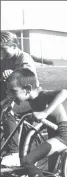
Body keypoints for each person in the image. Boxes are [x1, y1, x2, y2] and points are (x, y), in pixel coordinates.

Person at [5, 68, 67, 177]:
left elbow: (65, 92)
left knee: (28, 161)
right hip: (54, 137)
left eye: (13, 91)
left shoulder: (42, 94)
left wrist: (45, 112)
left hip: (63, 136)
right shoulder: (30, 97)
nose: (10, 95)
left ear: (28, 89)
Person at [1, 31, 38, 167]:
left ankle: (13, 152)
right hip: (14, 96)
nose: (2, 54)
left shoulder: (24, 59)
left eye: (4, 50)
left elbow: (25, 82)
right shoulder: (5, 59)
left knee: (7, 111)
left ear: (14, 46)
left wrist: (14, 74)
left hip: (28, 98)